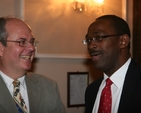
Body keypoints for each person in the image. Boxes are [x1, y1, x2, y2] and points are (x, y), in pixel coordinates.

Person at [0, 17, 66, 113]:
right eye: (22, 42)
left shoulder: (48, 86)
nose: (32, 48)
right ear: (1, 49)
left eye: (31, 42)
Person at [84, 15, 141, 113]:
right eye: (89, 40)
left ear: (123, 41)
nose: (91, 45)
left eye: (99, 37)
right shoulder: (91, 91)